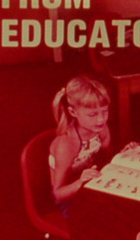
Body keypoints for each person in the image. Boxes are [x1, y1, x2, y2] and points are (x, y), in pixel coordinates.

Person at [47, 74, 114, 206]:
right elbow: (58, 194)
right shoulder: (66, 145)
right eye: (92, 114)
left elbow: (107, 160)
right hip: (70, 198)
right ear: (73, 112)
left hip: (92, 185)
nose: (101, 119)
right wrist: (80, 182)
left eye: (104, 111)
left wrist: (124, 154)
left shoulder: (101, 128)